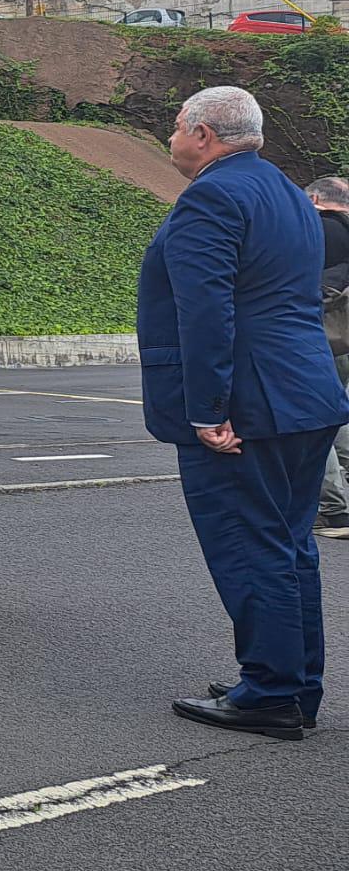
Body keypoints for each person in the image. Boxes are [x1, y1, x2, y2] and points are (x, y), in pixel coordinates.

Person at [143, 88, 349, 740]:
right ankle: (290, 681)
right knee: (288, 547)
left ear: (203, 135)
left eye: (177, 127)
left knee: (249, 546)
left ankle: (271, 693)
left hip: (248, 405)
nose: (171, 138)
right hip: (305, 393)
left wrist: (207, 409)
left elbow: (205, 310)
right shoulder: (290, 194)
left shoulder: (210, 196)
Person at [308, 176, 349, 539]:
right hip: (347, 336)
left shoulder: (318, 230)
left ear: (317, 198)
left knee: (314, 420)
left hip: (324, 336)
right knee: (341, 414)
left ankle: (334, 510)